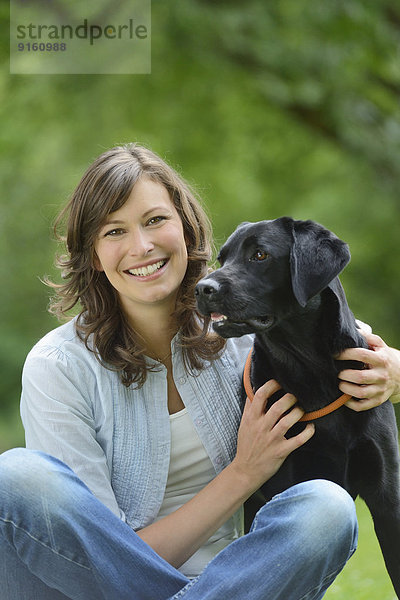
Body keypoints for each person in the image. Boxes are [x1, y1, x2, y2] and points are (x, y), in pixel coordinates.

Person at [0, 144, 399, 600]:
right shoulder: (59, 368)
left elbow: (347, 332)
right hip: (94, 589)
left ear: (186, 229)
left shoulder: (248, 331)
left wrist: (395, 374)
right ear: (93, 255)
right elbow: (97, 558)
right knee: (16, 476)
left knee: (325, 509)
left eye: (155, 220)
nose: (141, 246)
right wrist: (244, 473)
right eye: (114, 231)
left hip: (239, 585)